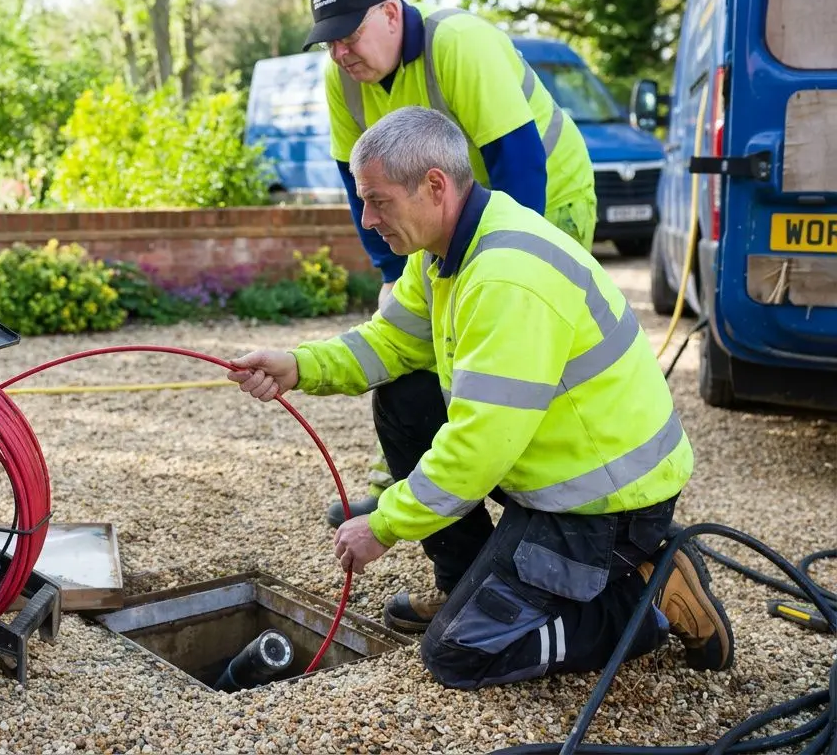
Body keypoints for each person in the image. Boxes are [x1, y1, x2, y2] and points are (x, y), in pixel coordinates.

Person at [226, 107, 733, 690]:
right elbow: (389, 343)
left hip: (603, 504)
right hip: (555, 475)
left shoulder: (505, 277)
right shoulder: (445, 253)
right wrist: (298, 366)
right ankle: (467, 581)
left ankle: (645, 601)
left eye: (378, 201)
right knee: (404, 394)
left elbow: (479, 445)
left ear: (435, 186)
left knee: (459, 654)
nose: (367, 220)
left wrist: (384, 525)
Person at [301, 0, 600, 530]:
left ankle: (554, 492)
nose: (340, 52)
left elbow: (520, 160)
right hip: (446, 214)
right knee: (416, 342)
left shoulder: (460, 44)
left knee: (519, 343)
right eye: (330, 41)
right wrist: (392, 270)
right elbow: (355, 182)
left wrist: (506, 265)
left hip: (547, 198)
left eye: (349, 34)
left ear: (391, 14)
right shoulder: (342, 80)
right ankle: (414, 483)